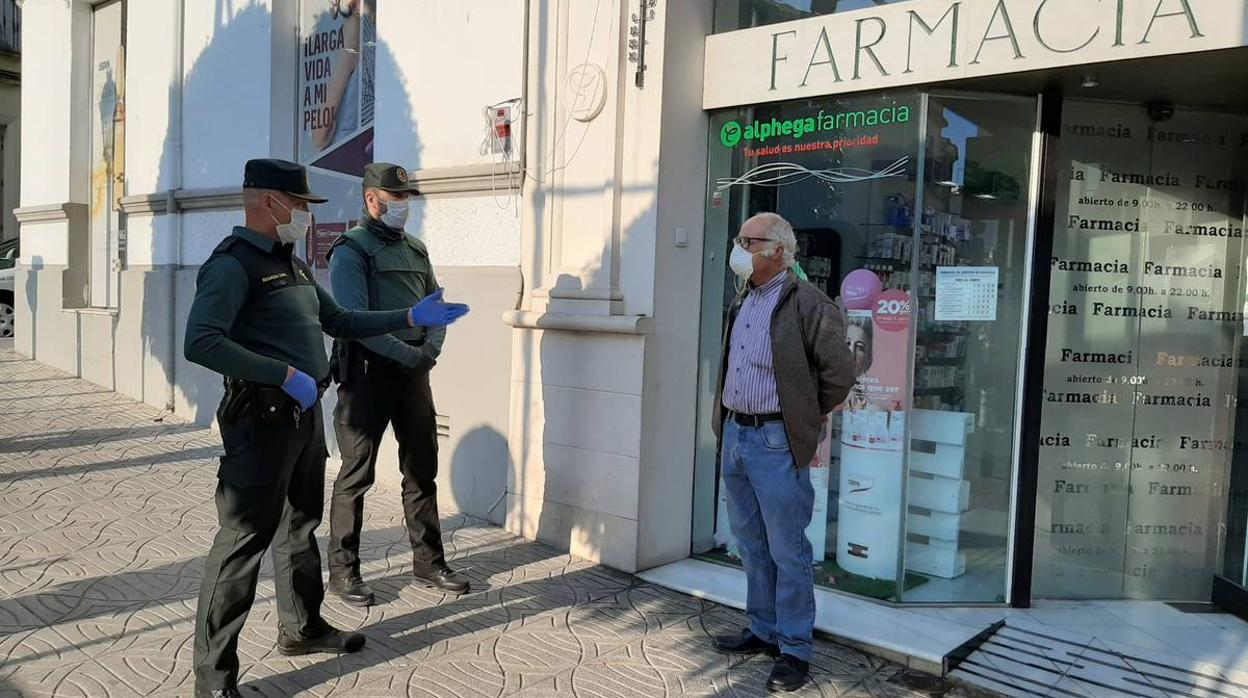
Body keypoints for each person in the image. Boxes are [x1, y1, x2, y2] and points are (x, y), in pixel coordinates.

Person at [184, 158, 469, 698]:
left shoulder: (289, 264)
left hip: (302, 416)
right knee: (242, 543)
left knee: (300, 528)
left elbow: (339, 320)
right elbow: (200, 340)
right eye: (299, 206)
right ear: (270, 202)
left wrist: (409, 319)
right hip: (260, 420)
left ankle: (302, 627)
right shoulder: (232, 265)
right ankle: (214, 680)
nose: (306, 216)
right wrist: (282, 373)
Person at [710, 212, 855, 693]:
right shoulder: (744, 298)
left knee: (788, 551)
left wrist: (803, 421)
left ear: (777, 250)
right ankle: (763, 629)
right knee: (749, 544)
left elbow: (839, 375)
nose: (738, 248)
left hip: (776, 440)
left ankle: (794, 649)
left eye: (746, 241)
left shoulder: (810, 304)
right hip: (736, 434)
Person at [324, 163, 469, 606]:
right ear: (372, 200)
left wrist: (430, 351)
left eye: (406, 199)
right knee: (356, 474)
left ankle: (429, 562)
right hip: (368, 374)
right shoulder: (351, 250)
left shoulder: (416, 250)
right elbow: (355, 322)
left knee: (421, 469)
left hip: (414, 374)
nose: (403, 207)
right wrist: (412, 355)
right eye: (395, 200)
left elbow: (437, 306)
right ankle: (343, 572)